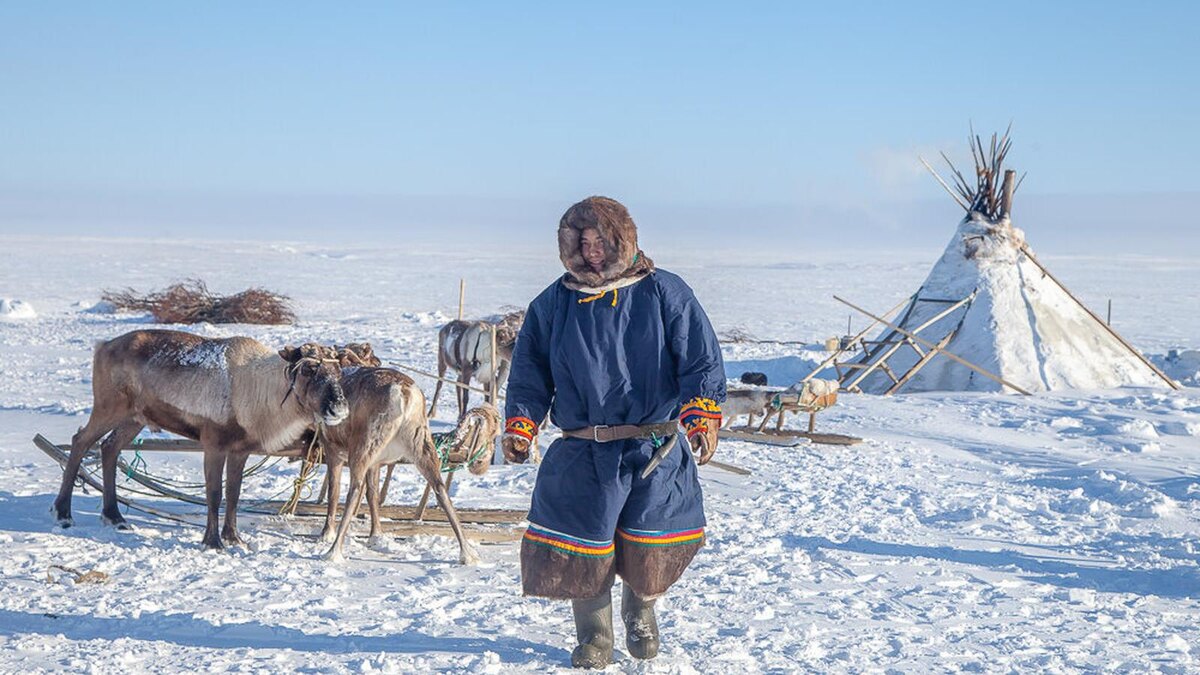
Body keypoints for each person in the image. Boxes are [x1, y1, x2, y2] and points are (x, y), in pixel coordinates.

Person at [502, 196, 726, 668]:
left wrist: (700, 414)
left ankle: (640, 612)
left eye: (600, 240)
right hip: (584, 449)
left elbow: (700, 358)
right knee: (585, 544)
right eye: (582, 242)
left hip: (653, 445)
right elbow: (529, 372)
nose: (592, 251)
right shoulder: (552, 304)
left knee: (646, 540)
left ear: (621, 241)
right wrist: (522, 424)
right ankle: (594, 636)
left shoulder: (664, 292)